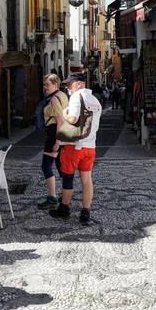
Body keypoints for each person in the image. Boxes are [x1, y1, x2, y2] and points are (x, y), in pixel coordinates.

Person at [49, 73, 102, 226]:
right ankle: (85, 212)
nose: (68, 87)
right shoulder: (95, 100)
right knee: (87, 180)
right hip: (90, 146)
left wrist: (63, 113)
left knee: (68, 178)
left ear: (79, 84)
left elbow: (72, 118)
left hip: (74, 146)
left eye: (70, 84)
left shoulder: (77, 96)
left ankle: (64, 208)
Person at [36, 74, 68, 211]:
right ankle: (66, 195)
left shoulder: (54, 99)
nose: (45, 87)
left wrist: (57, 141)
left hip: (55, 134)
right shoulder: (63, 95)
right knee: (60, 166)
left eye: (47, 84)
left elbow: (60, 120)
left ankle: (52, 197)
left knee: (46, 165)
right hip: (61, 134)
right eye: (44, 84)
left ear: (56, 85)